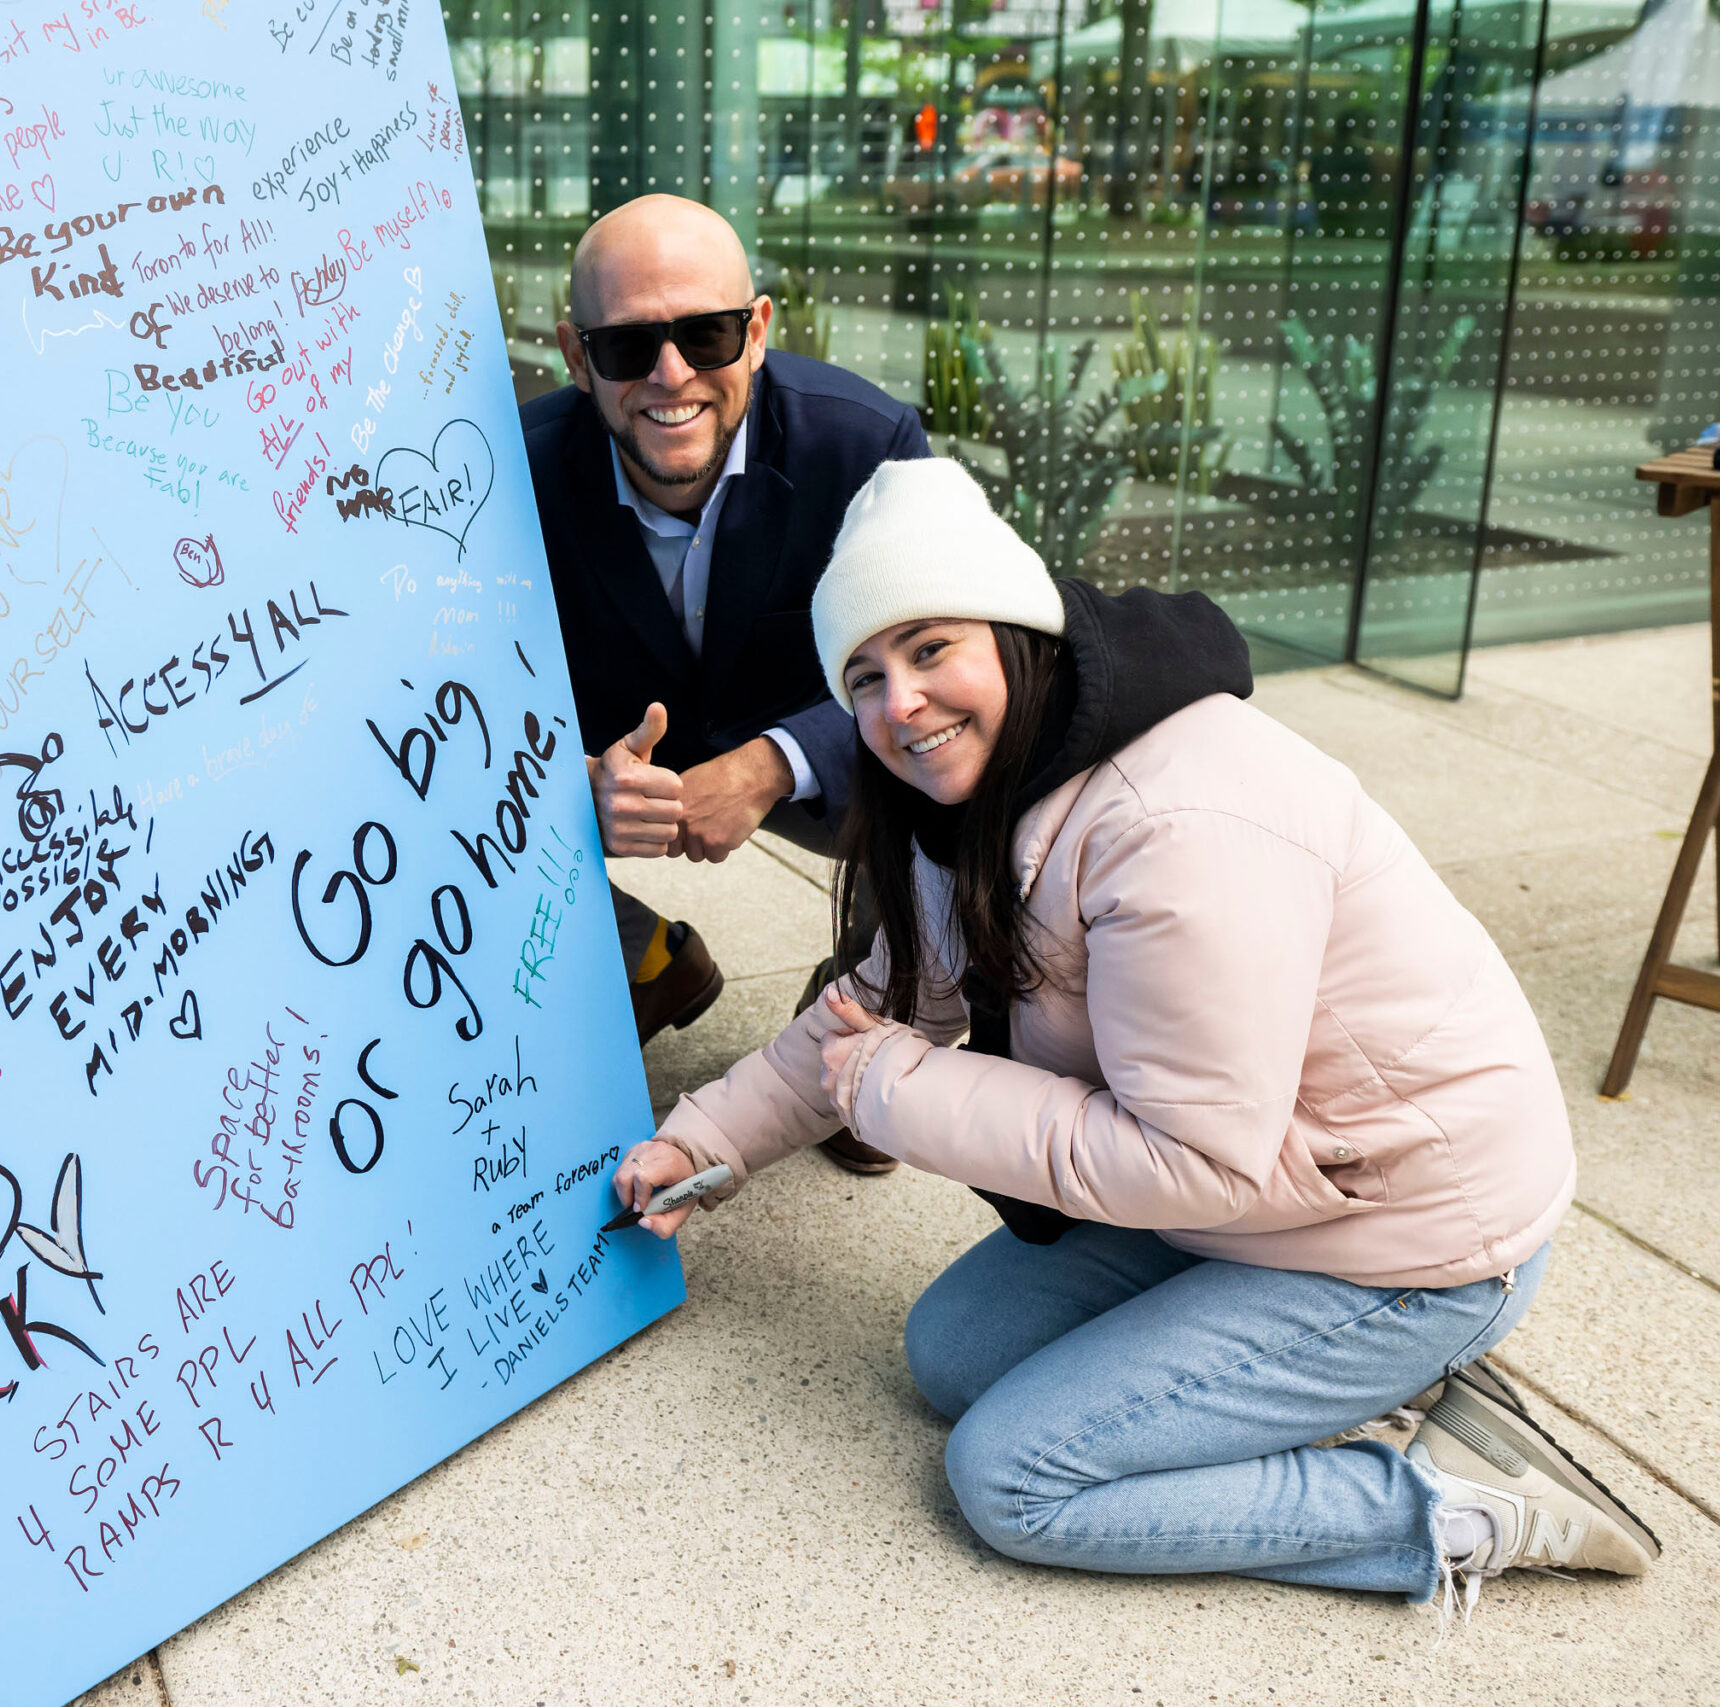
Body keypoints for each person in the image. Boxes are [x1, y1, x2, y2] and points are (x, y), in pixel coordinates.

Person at [610, 459, 1661, 1612]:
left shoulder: (1177, 820)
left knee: (1015, 1480)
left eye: (928, 650)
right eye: (862, 676)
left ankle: (1450, 1505)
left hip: (1407, 1236)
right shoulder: (978, 793)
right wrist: (703, 1139)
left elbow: (1187, 1157)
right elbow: (878, 1010)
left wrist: (893, 1091)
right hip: (1262, 1194)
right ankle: (1320, 1392)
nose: (897, 703)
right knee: (952, 1357)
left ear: (1016, 635)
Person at [522, 194, 925, 1175]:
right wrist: (570, 778)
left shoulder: (865, 448)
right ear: (576, 358)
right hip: (607, 757)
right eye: (626, 348)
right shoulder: (509, 473)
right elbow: (440, 694)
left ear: (755, 332)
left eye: (703, 335)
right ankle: (644, 959)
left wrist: (771, 763)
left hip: (813, 750)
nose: (670, 375)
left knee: (973, 783)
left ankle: (852, 1037)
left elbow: (962, 665)